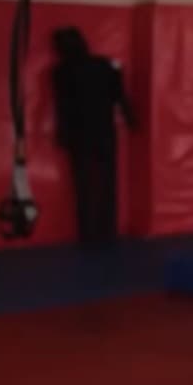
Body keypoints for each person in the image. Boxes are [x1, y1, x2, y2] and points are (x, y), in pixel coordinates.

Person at [50, 27, 134, 247]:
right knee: (107, 182)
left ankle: (87, 234)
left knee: (83, 185)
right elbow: (120, 96)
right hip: (105, 131)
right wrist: (131, 120)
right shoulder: (105, 65)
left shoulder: (61, 72)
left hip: (79, 134)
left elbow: (63, 107)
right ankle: (107, 230)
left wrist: (62, 135)